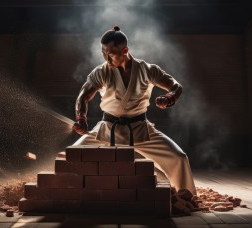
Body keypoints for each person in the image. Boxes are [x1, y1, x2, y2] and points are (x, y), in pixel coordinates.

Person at [72, 26, 197, 211]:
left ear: (125, 51)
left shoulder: (147, 70)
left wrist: (170, 98)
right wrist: (81, 118)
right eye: (104, 53)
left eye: (112, 53)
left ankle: (187, 199)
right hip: (107, 129)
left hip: (140, 129)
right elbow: (83, 96)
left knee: (179, 157)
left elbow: (176, 85)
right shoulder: (102, 71)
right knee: (71, 155)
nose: (106, 58)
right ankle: (71, 196)